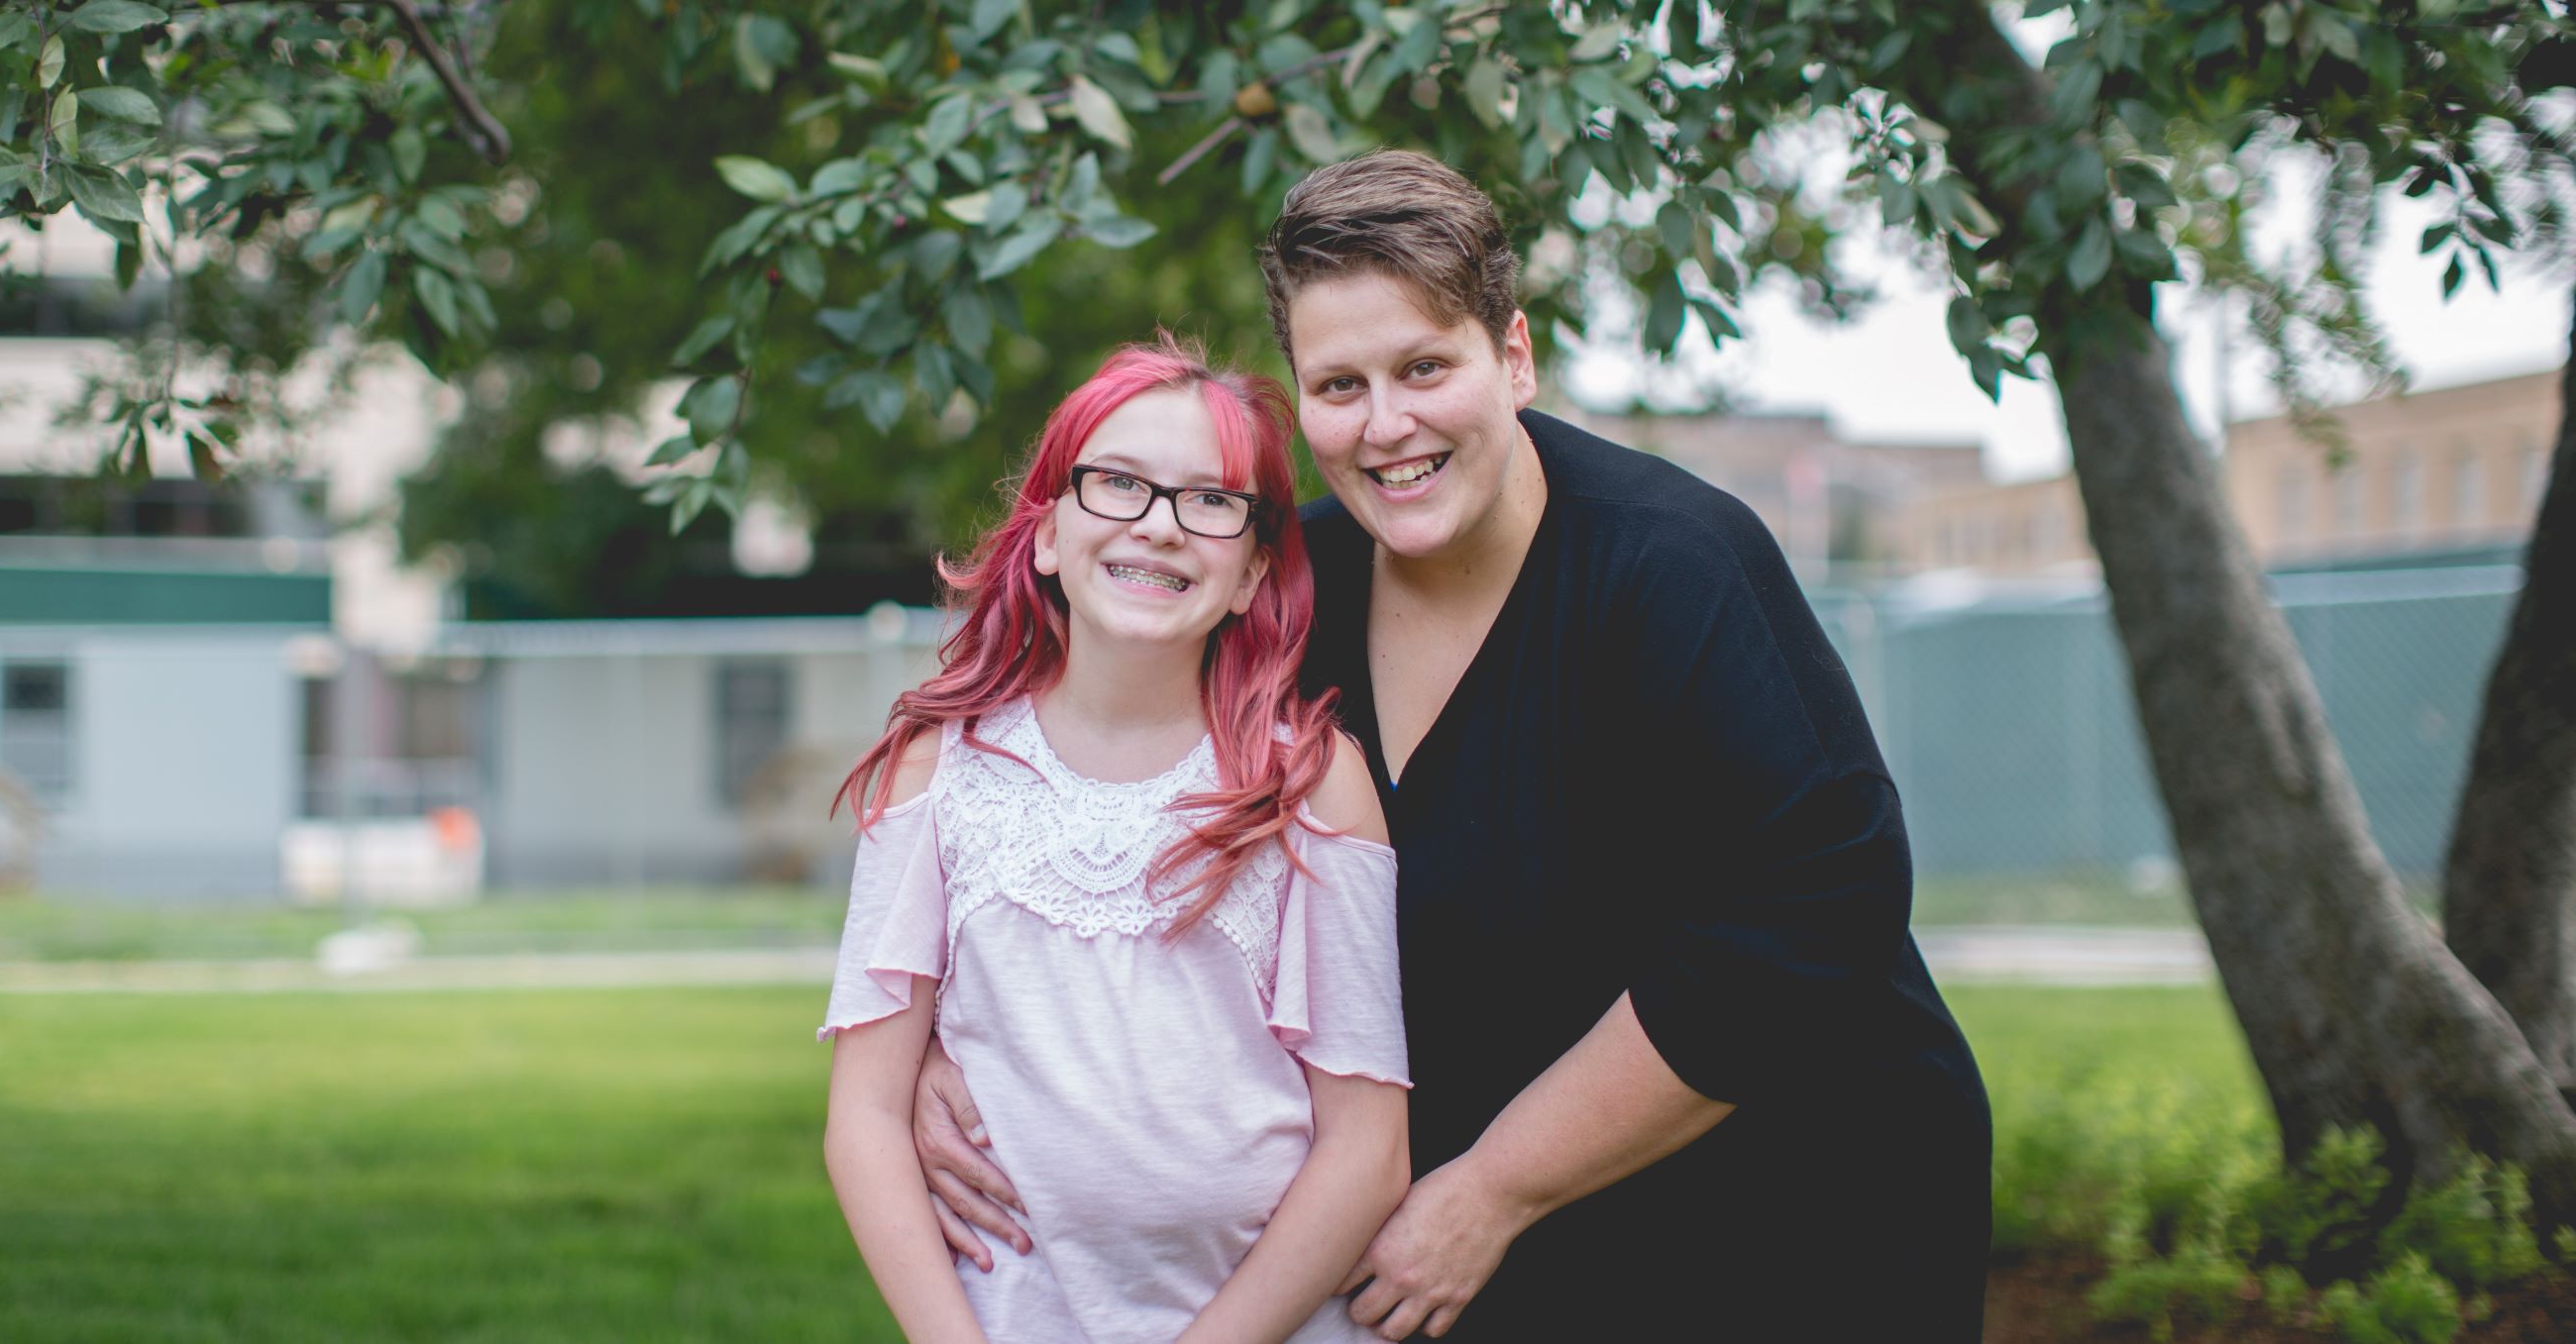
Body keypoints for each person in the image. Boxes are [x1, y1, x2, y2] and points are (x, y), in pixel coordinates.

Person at [912, 152, 1992, 1340]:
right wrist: (945, 1057)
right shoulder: (1285, 597)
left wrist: (1493, 1186)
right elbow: (1107, 806)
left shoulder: (1674, 565)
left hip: (1791, 1225)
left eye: (1425, 367)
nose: (1387, 426)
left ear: (1514, 356)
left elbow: (1807, 916)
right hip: (1480, 1253)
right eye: (1338, 384)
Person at [819, 338, 1414, 1344]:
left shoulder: (1311, 786)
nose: (1159, 525)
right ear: (1047, 531)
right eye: (1118, 484)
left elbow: (1367, 1149)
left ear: (1249, 572)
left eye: (1210, 501)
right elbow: (867, 1118)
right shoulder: (941, 771)